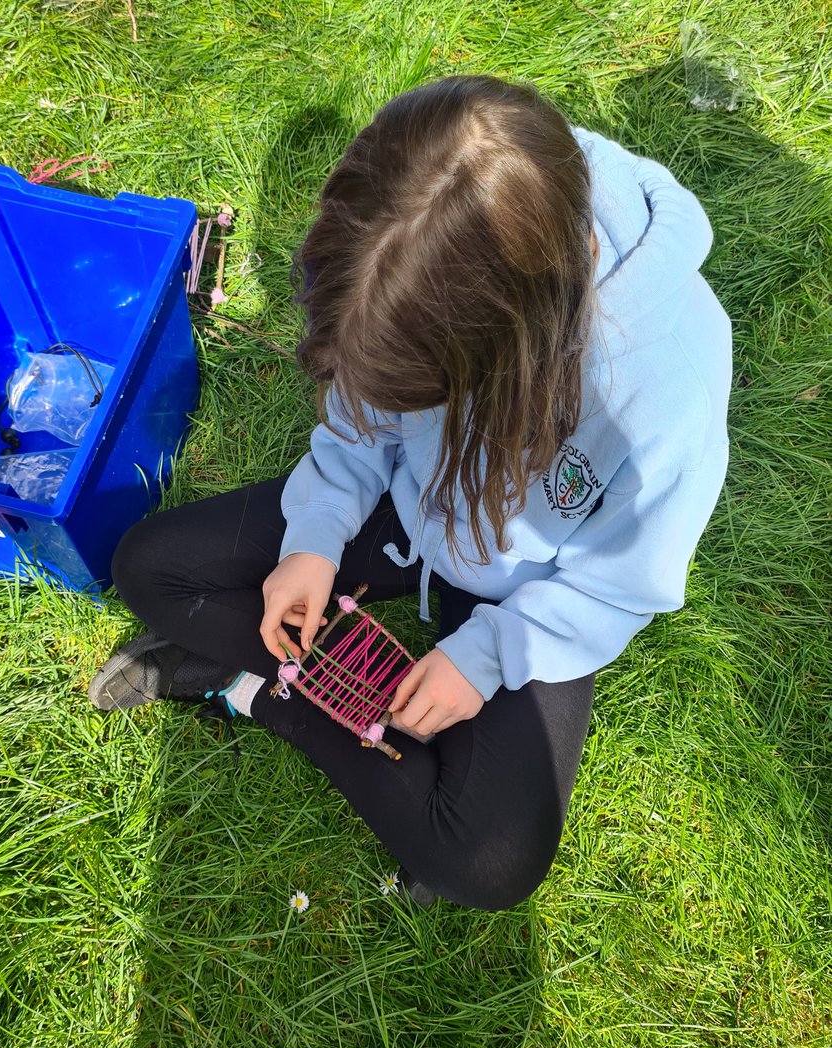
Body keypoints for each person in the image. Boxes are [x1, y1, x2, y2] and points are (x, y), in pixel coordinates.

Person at [88, 74, 733, 911]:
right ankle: (275, 692)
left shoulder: (668, 380)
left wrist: (487, 657)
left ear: (509, 353)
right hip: (411, 513)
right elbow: (359, 428)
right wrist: (316, 533)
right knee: (150, 567)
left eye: (412, 388)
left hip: (531, 589)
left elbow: (619, 584)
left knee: (491, 863)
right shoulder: (414, 236)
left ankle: (252, 688)